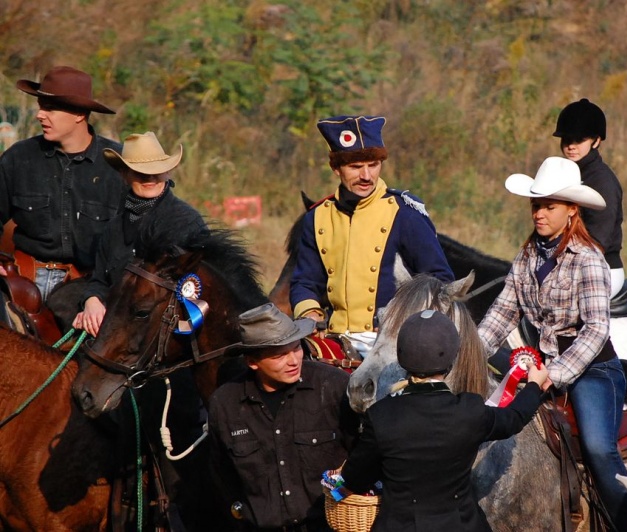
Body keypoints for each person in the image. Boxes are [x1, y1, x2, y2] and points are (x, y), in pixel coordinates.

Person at [477, 156, 627, 531]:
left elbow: (597, 328)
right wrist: (468, 354)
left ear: (571, 211)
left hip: (592, 368)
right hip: (539, 365)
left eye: (549, 206)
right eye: (536, 206)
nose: (539, 214)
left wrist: (556, 373)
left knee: (598, 449)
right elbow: (502, 313)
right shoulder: (527, 256)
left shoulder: (589, 258)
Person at [339, 309, 551, 531]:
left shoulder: (381, 415)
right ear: (450, 362)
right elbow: (514, 418)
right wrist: (534, 385)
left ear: (402, 359)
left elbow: (354, 480)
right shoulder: (470, 410)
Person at [290, 114, 454, 355]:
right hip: (334, 340)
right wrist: (310, 314)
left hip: (392, 342)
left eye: (373, 165)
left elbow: (439, 281)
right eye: (355, 167)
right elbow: (305, 282)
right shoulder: (316, 218)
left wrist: (403, 323)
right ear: (336, 168)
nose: (366, 176)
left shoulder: (405, 213)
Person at [208, 302, 360, 530]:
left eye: (296, 348)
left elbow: (362, 456)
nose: (293, 360)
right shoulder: (225, 404)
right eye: (280, 355)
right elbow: (221, 477)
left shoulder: (333, 386)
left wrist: (338, 497)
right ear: (252, 362)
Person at [0, 66, 126, 300]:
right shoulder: (19, 157)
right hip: (21, 281)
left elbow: (143, 230)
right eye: (40, 107)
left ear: (79, 114)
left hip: (89, 288)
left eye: (50, 108)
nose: (39, 115)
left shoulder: (119, 165)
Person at [72, 131, 206, 336]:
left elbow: (202, 285)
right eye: (141, 172)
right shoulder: (113, 228)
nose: (150, 178)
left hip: (169, 332)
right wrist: (92, 302)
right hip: (117, 325)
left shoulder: (187, 221)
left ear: (167, 173)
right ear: (124, 175)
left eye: (157, 171)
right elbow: (99, 280)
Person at [553, 98, 625, 297]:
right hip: (570, 265)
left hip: (601, 269)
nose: (571, 146)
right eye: (566, 140)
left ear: (596, 141)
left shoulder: (602, 181)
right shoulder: (566, 174)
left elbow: (597, 239)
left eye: (579, 140)